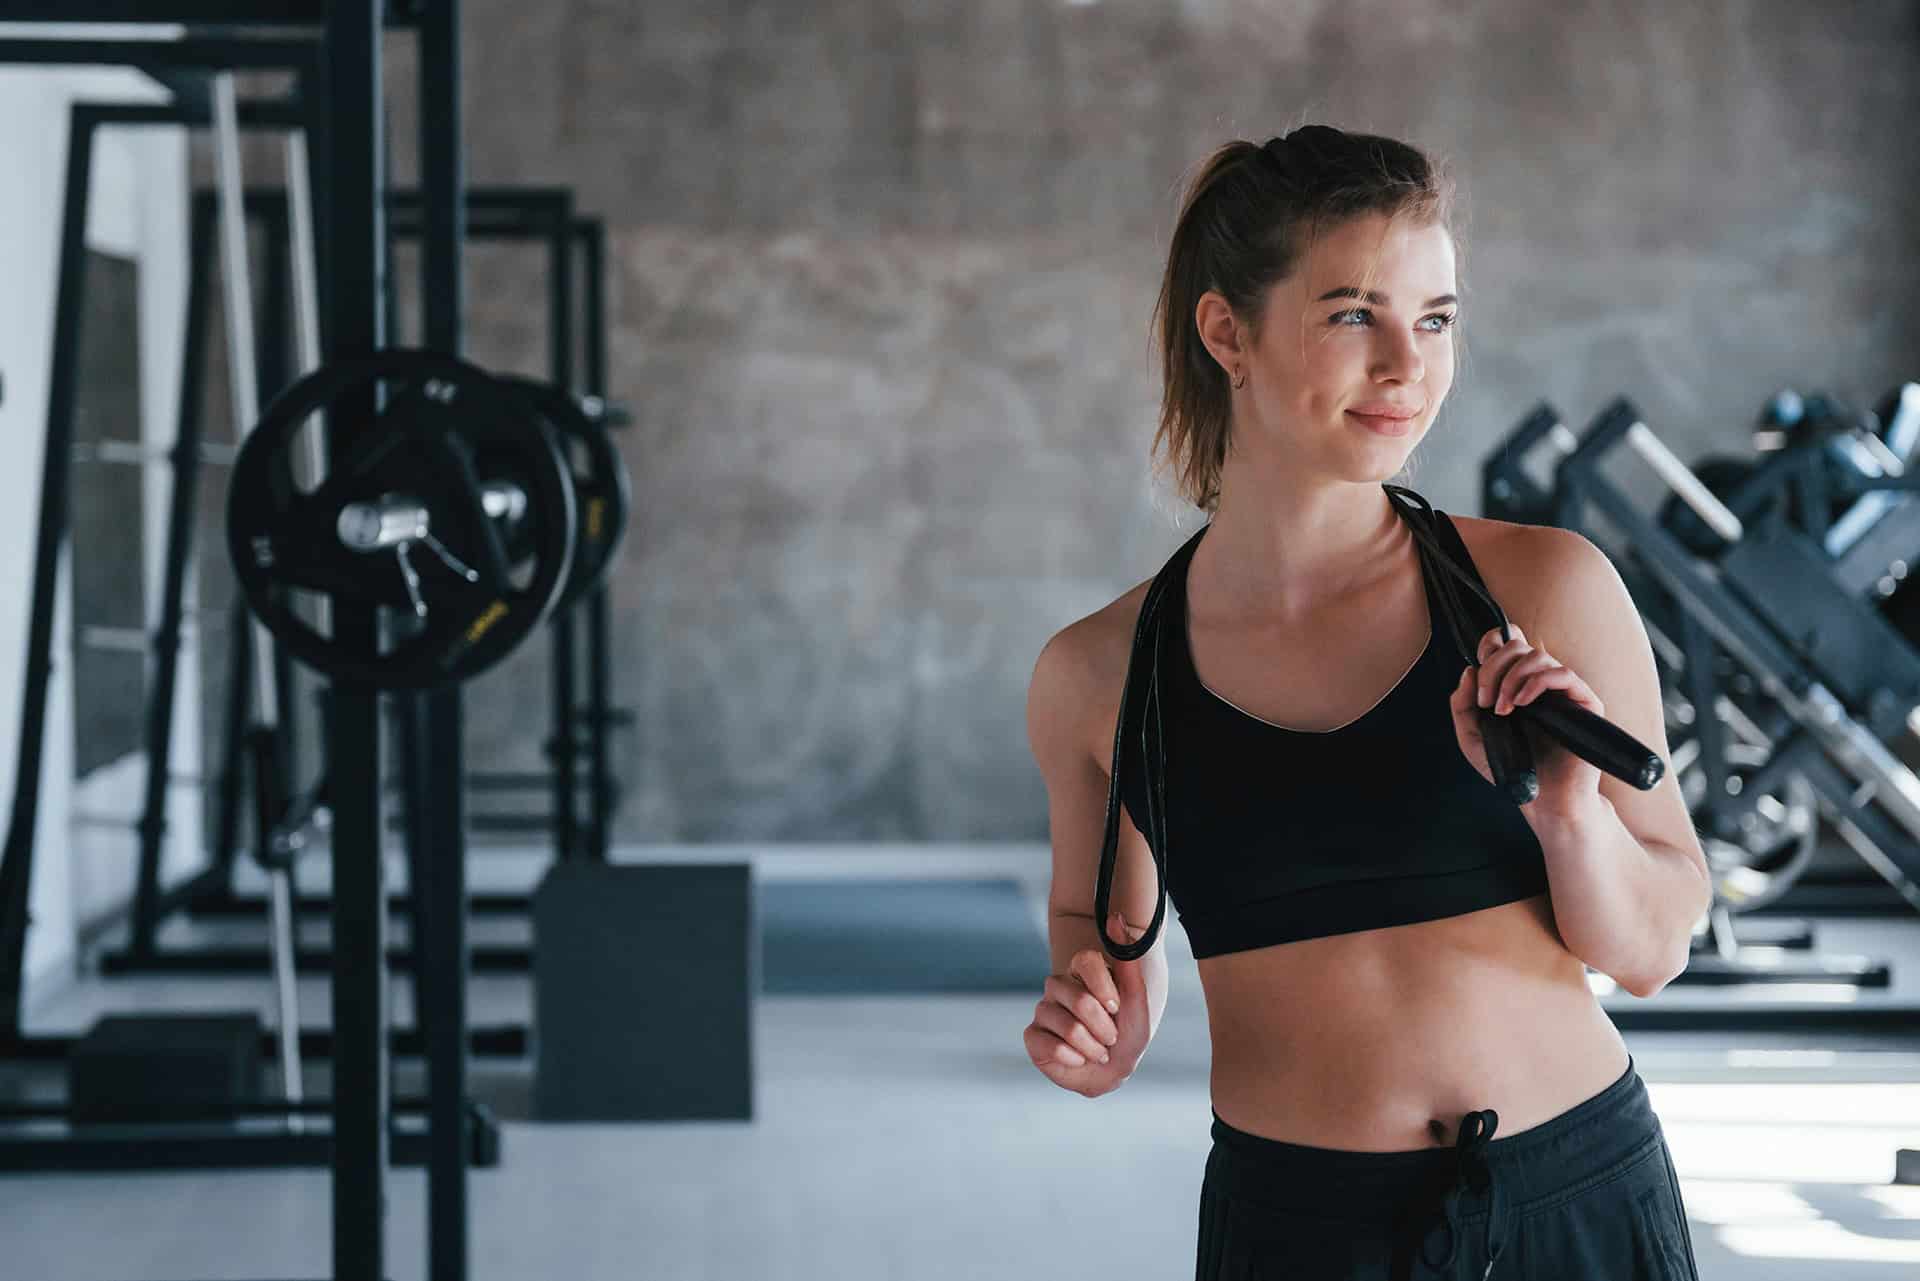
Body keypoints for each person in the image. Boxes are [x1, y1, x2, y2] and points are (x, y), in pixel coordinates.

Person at [1022, 126, 1712, 1280]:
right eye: (1354, 314)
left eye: (1435, 318)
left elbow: (1651, 954)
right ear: (1225, 331)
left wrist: (1571, 817)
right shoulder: (1100, 676)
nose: (1408, 364)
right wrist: (1099, 1025)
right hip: (1301, 1232)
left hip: (1576, 1200)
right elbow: (1096, 931)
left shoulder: (1544, 589)